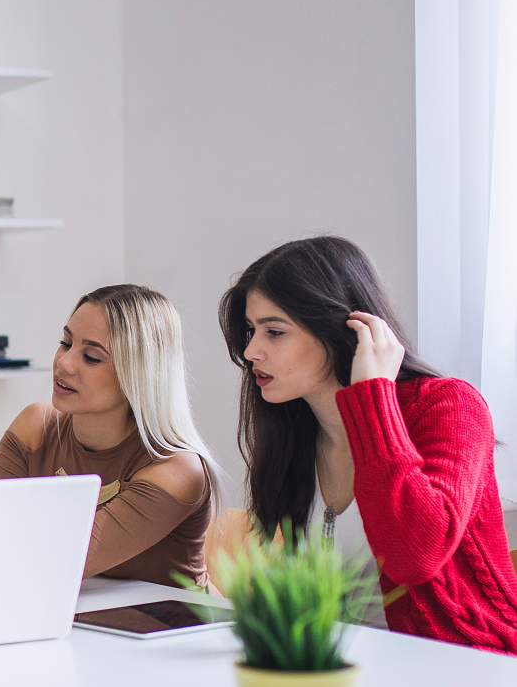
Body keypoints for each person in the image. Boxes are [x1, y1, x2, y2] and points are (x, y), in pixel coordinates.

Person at [219, 235, 517, 654]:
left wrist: (373, 395)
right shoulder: (295, 432)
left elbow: (414, 559)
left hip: (465, 667)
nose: (251, 351)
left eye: (274, 331)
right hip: (349, 670)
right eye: (251, 331)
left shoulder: (448, 405)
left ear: (342, 329)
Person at [0, 284, 222, 590]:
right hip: (72, 619)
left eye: (92, 357)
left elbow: (56, 562)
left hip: (171, 630)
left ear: (140, 374)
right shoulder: (35, 427)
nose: (64, 363)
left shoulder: (176, 469)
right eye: (65, 343)